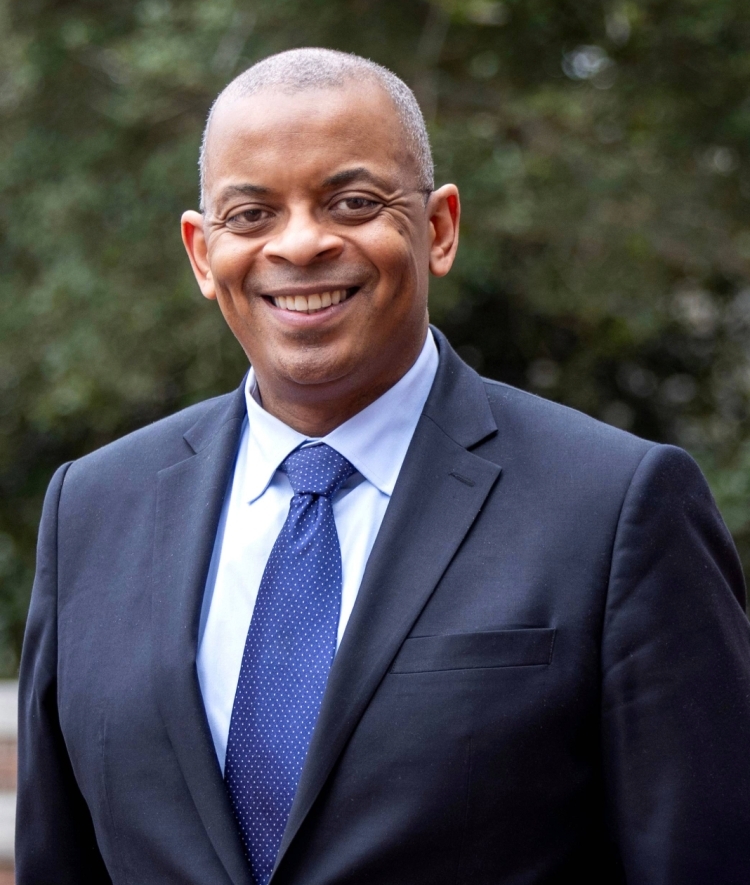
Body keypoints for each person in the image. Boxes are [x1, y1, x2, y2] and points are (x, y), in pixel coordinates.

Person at [16, 48, 750, 885]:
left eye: (353, 202)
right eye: (251, 214)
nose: (299, 244)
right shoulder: (93, 509)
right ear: (200, 250)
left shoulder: (619, 506)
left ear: (437, 228)